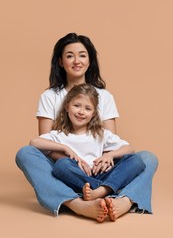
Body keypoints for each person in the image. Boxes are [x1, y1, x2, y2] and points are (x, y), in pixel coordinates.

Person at [16, 32, 158, 222]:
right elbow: (44, 147)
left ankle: (121, 200)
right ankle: (78, 203)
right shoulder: (50, 96)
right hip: (66, 166)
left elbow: (111, 142)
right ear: (60, 62)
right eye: (69, 55)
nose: (76, 61)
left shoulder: (104, 96)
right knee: (25, 153)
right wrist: (75, 159)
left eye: (82, 55)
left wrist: (105, 159)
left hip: (99, 164)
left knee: (147, 158)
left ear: (90, 61)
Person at [30, 84, 146, 210]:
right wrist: (65, 148)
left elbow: (129, 148)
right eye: (76, 106)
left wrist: (109, 155)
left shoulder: (100, 134)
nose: (81, 112)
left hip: (100, 173)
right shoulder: (59, 135)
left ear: (93, 113)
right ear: (67, 106)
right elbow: (34, 142)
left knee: (136, 160)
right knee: (61, 165)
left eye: (87, 108)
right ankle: (105, 190)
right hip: (78, 177)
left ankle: (100, 191)